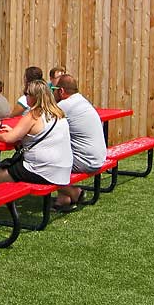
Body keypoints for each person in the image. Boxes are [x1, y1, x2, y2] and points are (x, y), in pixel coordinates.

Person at [0, 80, 73, 197]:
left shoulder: (34, 115)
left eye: (26, 93)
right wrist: (14, 131)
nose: (25, 96)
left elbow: (9, 139)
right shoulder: (58, 113)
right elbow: (36, 132)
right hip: (64, 168)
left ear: (34, 97)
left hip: (42, 170)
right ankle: (72, 195)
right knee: (11, 167)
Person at [53, 74, 108, 207]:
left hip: (86, 161)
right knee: (60, 151)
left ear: (61, 91)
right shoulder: (82, 100)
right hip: (99, 157)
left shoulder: (64, 106)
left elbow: (43, 127)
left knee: (42, 166)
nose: (52, 92)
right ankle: (63, 200)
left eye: (54, 89)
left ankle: (75, 193)